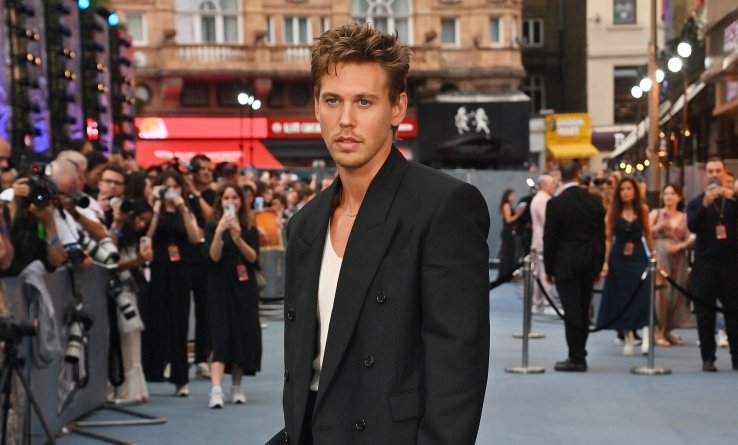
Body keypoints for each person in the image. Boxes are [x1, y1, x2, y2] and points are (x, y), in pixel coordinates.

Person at [268, 23, 490, 445]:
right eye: (333, 100)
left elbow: (457, 367)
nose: (345, 120)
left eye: (364, 102)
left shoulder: (442, 207)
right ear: (316, 106)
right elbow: (307, 369)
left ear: (397, 108)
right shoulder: (305, 225)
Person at [141, 170, 201, 395]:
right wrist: (157, 206)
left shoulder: (186, 210)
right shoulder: (154, 210)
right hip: (158, 269)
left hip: (181, 270)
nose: (171, 191)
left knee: (180, 324)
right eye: (167, 187)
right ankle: (154, 371)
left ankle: (181, 378)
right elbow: (147, 235)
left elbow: (195, 238)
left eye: (175, 187)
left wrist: (183, 207)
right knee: (157, 321)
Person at [204, 183, 262, 408]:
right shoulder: (212, 225)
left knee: (241, 335)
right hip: (219, 286)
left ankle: (237, 386)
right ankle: (216, 389)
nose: (230, 202)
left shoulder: (249, 226)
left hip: (244, 288)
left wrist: (238, 238)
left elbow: (253, 258)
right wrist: (220, 231)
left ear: (241, 201)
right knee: (219, 336)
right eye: (226, 198)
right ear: (220, 201)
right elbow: (214, 256)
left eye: (235, 198)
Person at [544, 160, 605, 372]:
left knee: (571, 312)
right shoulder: (594, 201)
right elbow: (601, 237)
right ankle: (580, 353)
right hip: (588, 263)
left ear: (560, 176)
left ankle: (576, 357)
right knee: (583, 310)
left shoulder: (556, 203)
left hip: (565, 264)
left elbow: (550, 240)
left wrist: (548, 269)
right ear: (579, 174)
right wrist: (599, 265)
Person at [686, 157, 738, 372]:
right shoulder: (697, 203)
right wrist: (706, 204)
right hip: (705, 266)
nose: (714, 174)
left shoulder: (733, 201)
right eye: (710, 171)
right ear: (705, 175)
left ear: (725, 174)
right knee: (705, 315)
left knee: (734, 314)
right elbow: (692, 225)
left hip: (731, 266)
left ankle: (736, 357)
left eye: (718, 171)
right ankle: (708, 358)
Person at [597, 177, 654, 356]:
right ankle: (628, 337)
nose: (626, 192)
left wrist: (653, 254)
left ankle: (646, 336)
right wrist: (605, 262)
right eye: (622, 189)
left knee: (642, 296)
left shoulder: (643, 209)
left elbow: (648, 233)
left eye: (629, 189)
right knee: (623, 297)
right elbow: (608, 239)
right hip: (619, 257)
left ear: (635, 191)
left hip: (638, 256)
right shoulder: (613, 212)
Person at [648, 184, 692, 347]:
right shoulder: (656, 213)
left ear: (679, 197)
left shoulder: (685, 217)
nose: (668, 196)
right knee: (661, 294)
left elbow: (691, 238)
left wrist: (681, 246)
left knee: (677, 294)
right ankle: (658, 331)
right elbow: (645, 233)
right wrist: (657, 228)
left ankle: (668, 329)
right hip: (660, 255)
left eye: (672, 193)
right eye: (665, 193)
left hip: (678, 258)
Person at [530, 174, 557, 314]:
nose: (554, 187)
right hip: (543, 241)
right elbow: (548, 221)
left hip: (539, 240)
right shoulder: (544, 200)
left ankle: (538, 303)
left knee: (539, 274)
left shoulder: (538, 198)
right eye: (553, 184)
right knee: (545, 273)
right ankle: (547, 304)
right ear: (544, 185)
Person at [498, 188, 525, 280]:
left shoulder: (508, 205)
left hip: (509, 232)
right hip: (507, 232)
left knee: (510, 254)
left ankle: (506, 275)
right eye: (512, 195)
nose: (513, 198)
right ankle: (504, 275)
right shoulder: (506, 205)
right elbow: (509, 219)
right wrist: (518, 214)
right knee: (507, 254)